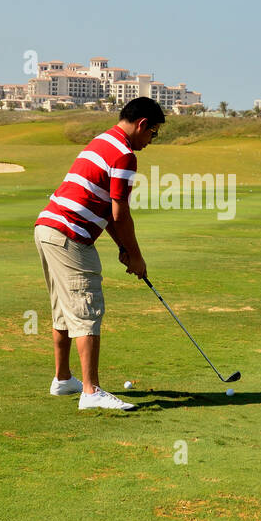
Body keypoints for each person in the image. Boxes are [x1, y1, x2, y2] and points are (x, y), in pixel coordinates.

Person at [34, 97, 164, 410]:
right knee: (86, 309)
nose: (151, 141)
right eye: (153, 133)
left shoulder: (102, 140)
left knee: (65, 310)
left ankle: (64, 379)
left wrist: (123, 248)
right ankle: (91, 392)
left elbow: (103, 208)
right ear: (142, 124)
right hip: (70, 236)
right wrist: (136, 256)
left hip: (48, 230)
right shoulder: (124, 154)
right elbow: (120, 213)